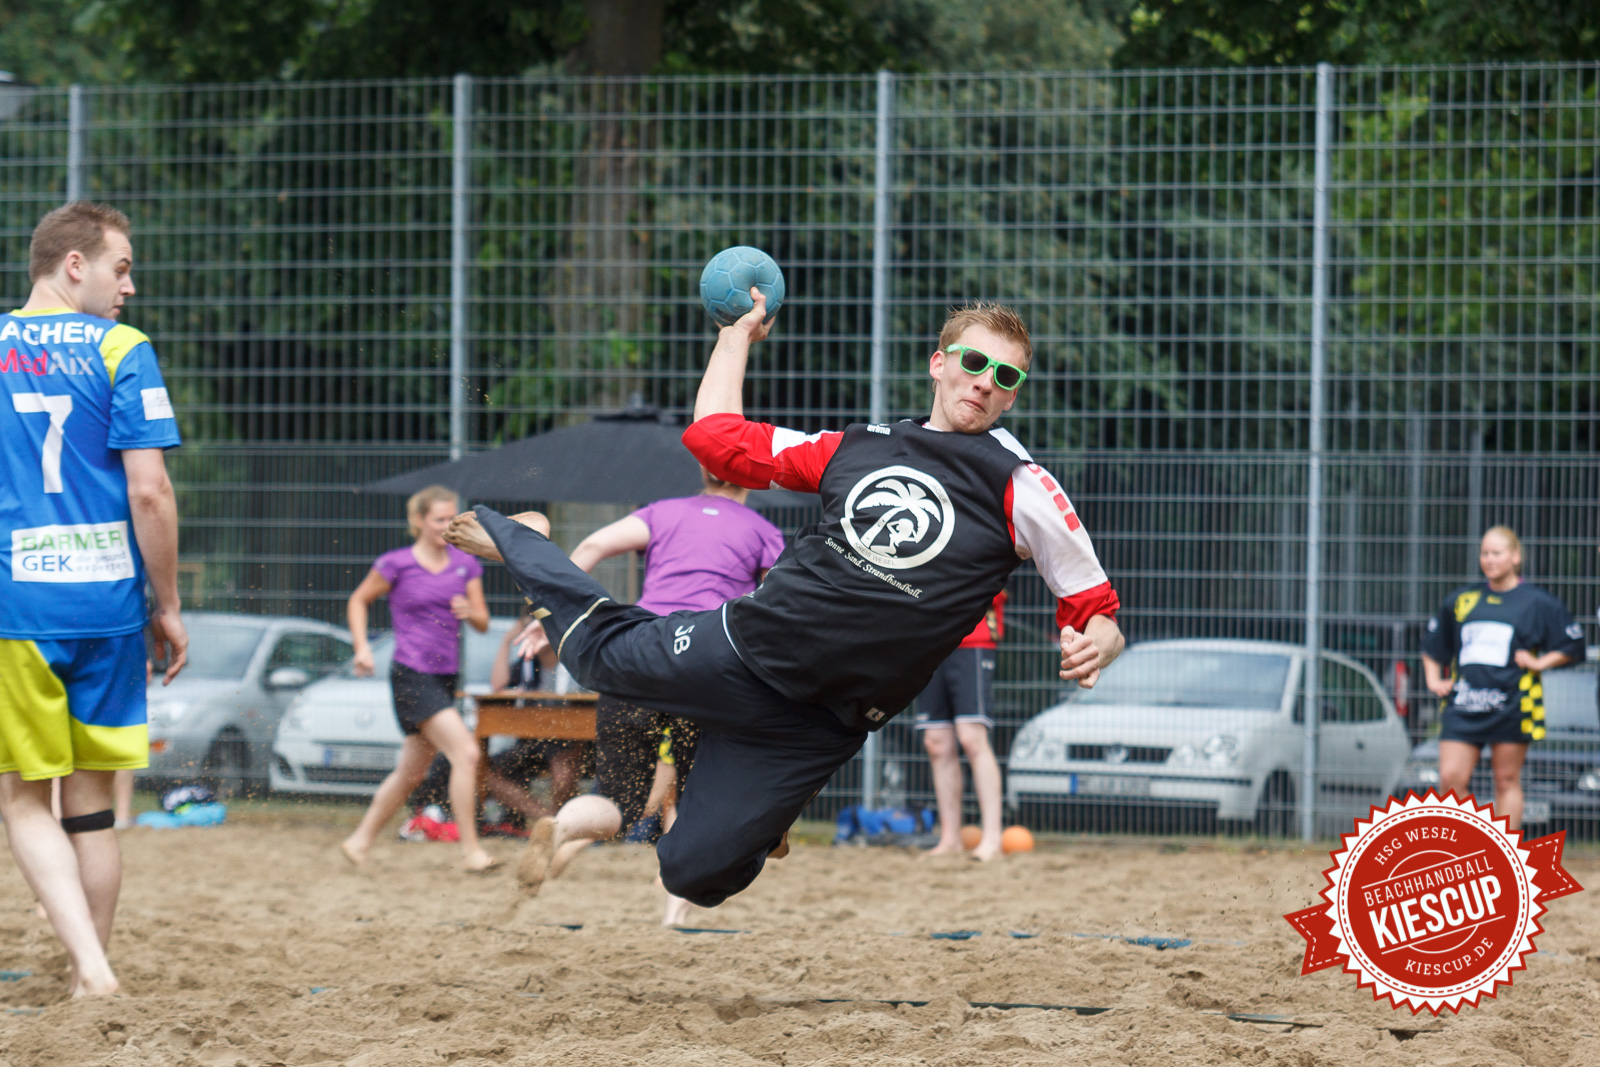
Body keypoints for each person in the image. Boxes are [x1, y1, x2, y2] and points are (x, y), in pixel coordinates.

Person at [449, 293, 1122, 909]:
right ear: (939, 364)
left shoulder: (1022, 485)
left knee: (693, 874)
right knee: (596, 657)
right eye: (976, 363)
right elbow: (716, 437)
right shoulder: (857, 446)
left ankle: (758, 819)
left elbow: (1097, 608)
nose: (986, 382)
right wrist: (737, 333)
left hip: (818, 724)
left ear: (1012, 396)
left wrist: (1097, 641)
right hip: (743, 649)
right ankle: (518, 538)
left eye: (1006, 377)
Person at [0, 201, 187, 997]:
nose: (130, 286)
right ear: (73, 264)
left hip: (18, 606)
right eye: (121, 267)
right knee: (91, 810)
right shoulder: (123, 349)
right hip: (108, 605)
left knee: (19, 797)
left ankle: (94, 968)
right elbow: (150, 493)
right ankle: (89, 977)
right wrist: (167, 603)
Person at [507, 466, 786, 924]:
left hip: (640, 650)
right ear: (749, 478)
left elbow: (594, 545)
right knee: (704, 797)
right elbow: (782, 601)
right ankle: (676, 914)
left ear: (700, 470)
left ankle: (559, 827)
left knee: (619, 802)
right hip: (707, 659)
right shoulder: (762, 530)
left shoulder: (662, 513)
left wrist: (551, 615)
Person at [340, 485, 495, 872]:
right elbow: (358, 600)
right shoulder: (396, 564)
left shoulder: (466, 564)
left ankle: (359, 841)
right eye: (439, 519)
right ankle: (471, 851)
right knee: (467, 753)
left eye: (452, 518)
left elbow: (483, 621)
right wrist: (361, 647)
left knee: (412, 772)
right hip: (411, 674)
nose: (447, 526)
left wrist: (467, 611)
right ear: (419, 521)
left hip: (445, 677)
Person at [1422, 526, 1585, 830]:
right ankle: (1466, 850)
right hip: (1463, 705)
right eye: (1484, 553)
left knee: (1506, 779)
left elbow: (1574, 645)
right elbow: (1433, 644)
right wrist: (1433, 679)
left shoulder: (1536, 602)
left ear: (1515, 556)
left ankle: (1505, 856)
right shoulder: (1463, 599)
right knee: (1450, 777)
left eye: (1496, 553)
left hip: (1512, 705)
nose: (1489, 559)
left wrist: (1539, 662)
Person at [917, 591, 1007, 860]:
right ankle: (950, 839)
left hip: (973, 635)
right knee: (936, 741)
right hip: (930, 640)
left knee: (972, 736)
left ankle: (992, 839)